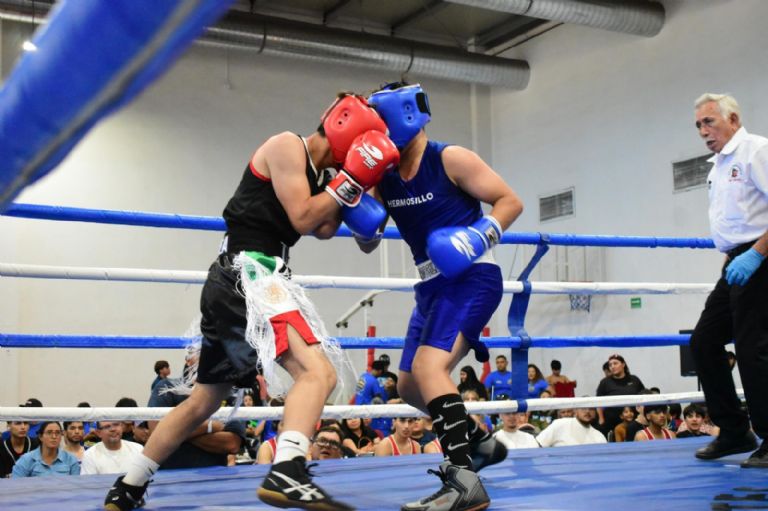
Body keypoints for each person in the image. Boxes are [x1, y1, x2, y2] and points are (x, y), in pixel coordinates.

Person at [103, 93, 399, 511]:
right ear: (346, 132)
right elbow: (302, 217)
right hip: (250, 273)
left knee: (204, 400)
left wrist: (365, 193)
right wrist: (349, 179)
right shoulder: (285, 146)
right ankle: (287, 472)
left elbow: (328, 227)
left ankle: (129, 485)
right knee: (318, 374)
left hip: (244, 278)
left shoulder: (320, 177)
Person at [362, 82, 524, 511]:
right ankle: (478, 442)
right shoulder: (384, 177)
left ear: (406, 114)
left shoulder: (450, 157)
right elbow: (368, 240)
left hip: (473, 275)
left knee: (430, 366)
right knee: (412, 384)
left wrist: (477, 235)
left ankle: (463, 482)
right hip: (430, 285)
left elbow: (509, 201)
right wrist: (359, 206)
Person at [689, 93, 768, 469]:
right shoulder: (717, 166)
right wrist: (733, 260)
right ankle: (735, 430)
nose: (704, 131)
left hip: (763, 257)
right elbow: (734, 223)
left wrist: (756, 254)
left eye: (710, 122)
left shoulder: (756, 151)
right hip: (737, 261)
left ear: (733, 118)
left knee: (753, 348)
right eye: (699, 125)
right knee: (704, 340)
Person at [595, 354, 645, 435]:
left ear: (623, 364)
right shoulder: (605, 382)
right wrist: (601, 419)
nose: (612, 366)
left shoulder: (634, 379)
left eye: (615, 363)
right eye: (610, 365)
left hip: (634, 420)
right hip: (611, 421)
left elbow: (644, 397)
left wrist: (642, 415)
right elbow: (598, 402)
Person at [12, 422, 80, 477]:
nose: (54, 436)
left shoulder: (71, 460)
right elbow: (17, 486)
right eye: (49, 432)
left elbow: (76, 488)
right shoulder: (26, 460)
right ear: (40, 437)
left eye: (57, 433)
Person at [535, 408, 607, 447]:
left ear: (595, 412)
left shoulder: (599, 437)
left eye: (591, 409)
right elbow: (539, 444)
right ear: (576, 411)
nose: (587, 411)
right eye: (583, 408)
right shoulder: (560, 424)